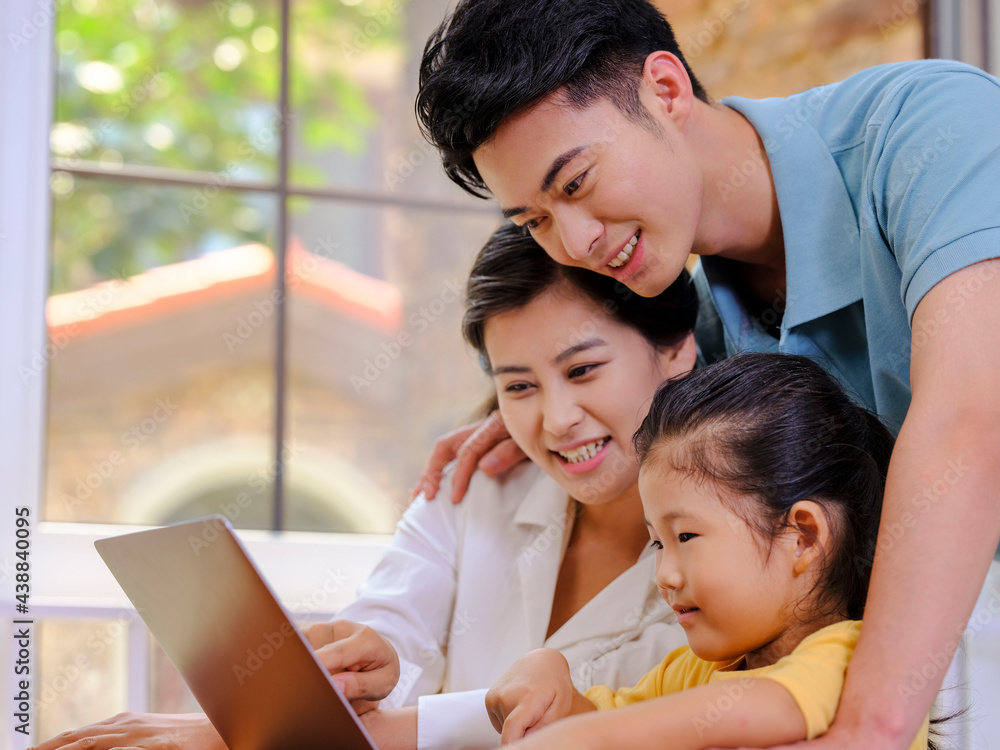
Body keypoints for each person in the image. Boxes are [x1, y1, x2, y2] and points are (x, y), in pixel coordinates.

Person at [412, 1, 1000, 746]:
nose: (577, 240)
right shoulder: (709, 340)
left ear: (665, 89)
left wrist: (869, 731)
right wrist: (546, 407)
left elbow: (971, 420)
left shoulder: (934, 132)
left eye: (575, 183)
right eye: (534, 221)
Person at [31, 224, 699, 750]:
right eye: (518, 385)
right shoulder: (475, 488)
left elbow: (595, 708)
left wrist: (238, 738)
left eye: (583, 371)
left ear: (676, 350)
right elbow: (393, 619)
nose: (554, 420)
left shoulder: (730, 541)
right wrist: (367, 662)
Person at [485, 352, 931, 750]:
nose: (665, 575)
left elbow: (768, 706)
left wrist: (583, 737)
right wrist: (547, 674)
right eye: (657, 543)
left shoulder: (860, 657)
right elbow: (599, 722)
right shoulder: (693, 672)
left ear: (802, 538)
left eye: (685, 538)